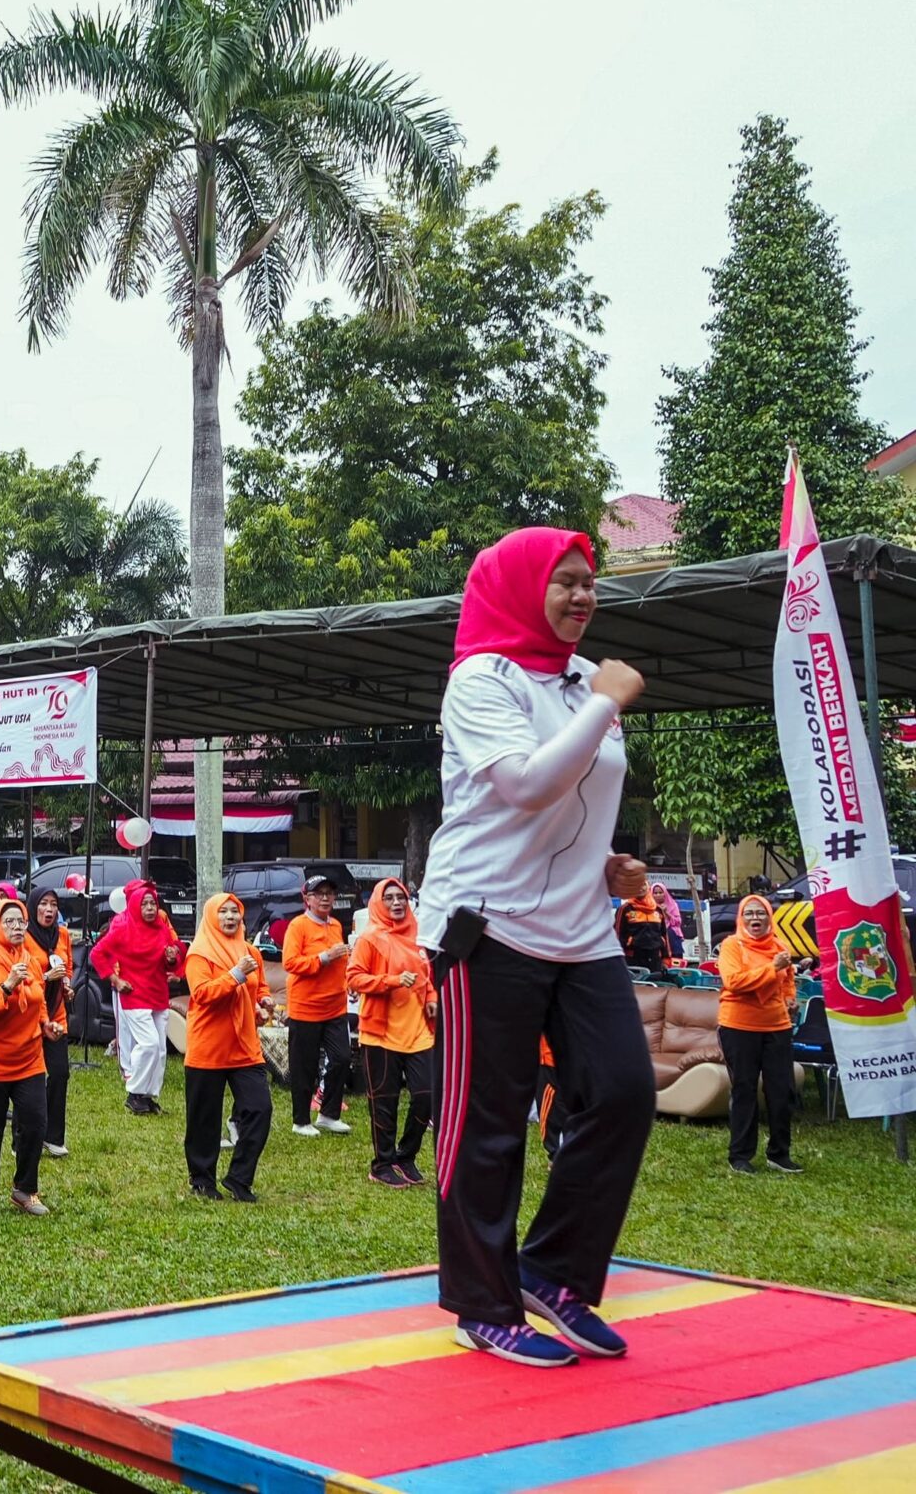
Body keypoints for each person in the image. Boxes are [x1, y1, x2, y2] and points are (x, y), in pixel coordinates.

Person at [421, 526, 657, 1369]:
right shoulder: (482, 679)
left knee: (624, 1091)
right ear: (523, 588)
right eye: (565, 581)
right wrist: (605, 704)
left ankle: (551, 1270)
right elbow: (523, 785)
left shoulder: (587, 679)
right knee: (485, 1125)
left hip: (580, 926)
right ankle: (481, 1304)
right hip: (488, 924)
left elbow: (573, 798)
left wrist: (608, 860)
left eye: (590, 582)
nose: (584, 595)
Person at [0, 895, 62, 1216]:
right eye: (9, 922)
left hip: (28, 1058)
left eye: (21, 921)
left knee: (35, 1124)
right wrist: (6, 986)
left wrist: (46, 1025)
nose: (17, 927)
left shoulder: (30, 960)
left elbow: (38, 999)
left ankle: (25, 1190)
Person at [347, 877, 437, 1189]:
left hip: (418, 1031)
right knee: (384, 1102)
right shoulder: (370, 938)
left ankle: (406, 1155)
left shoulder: (418, 935)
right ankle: (382, 1164)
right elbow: (354, 979)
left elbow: (428, 977)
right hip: (380, 1034)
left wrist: (432, 1000)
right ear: (378, 903)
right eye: (389, 898)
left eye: (401, 897)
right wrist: (392, 981)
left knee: (426, 1096)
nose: (397, 903)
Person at [183, 893, 273, 1201]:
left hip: (244, 1046)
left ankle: (239, 1178)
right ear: (211, 916)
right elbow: (202, 994)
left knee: (260, 1108)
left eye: (235, 911)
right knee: (204, 1120)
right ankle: (202, 1180)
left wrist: (263, 1001)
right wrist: (235, 975)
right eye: (223, 912)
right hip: (209, 1047)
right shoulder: (199, 953)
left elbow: (259, 986)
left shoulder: (250, 952)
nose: (230, 917)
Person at [718, 895, 805, 1175]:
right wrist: (772, 968)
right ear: (741, 918)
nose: (755, 919)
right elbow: (734, 982)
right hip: (739, 1026)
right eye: (749, 914)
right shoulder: (732, 945)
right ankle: (740, 1156)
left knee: (782, 1090)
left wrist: (790, 999)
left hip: (777, 1026)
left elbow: (788, 981)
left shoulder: (779, 947)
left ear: (769, 917)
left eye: (761, 913)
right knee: (744, 1089)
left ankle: (779, 1154)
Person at [88, 879, 179, 1115]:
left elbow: (171, 959)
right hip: (134, 994)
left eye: (153, 904)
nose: (149, 908)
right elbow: (97, 954)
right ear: (135, 905)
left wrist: (171, 959)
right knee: (148, 1044)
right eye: (144, 904)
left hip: (158, 992)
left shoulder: (161, 927)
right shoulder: (122, 927)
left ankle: (148, 1096)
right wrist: (116, 980)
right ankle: (134, 1093)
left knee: (160, 1049)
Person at [280, 873, 356, 1137]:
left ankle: (328, 1114)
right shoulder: (298, 926)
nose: (325, 898)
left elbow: (341, 962)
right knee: (305, 1066)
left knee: (342, 1058)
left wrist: (349, 980)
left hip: (335, 1006)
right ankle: (301, 1121)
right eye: (319, 894)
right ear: (307, 899)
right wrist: (323, 957)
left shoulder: (335, 925)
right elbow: (290, 963)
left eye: (329, 893)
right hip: (306, 1007)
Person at [25, 887, 74, 1158]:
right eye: (43, 904)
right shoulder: (24, 937)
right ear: (34, 907)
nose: (49, 910)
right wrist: (45, 977)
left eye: (53, 904)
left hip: (56, 1013)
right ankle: (22, 1137)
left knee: (60, 1073)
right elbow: (23, 976)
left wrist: (66, 986)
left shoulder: (63, 935)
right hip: (30, 1015)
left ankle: (53, 1136)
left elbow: (67, 969)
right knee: (28, 1079)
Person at [614, 888, 673, 976]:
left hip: (655, 959)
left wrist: (666, 959)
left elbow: (664, 935)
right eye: (639, 885)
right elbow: (617, 935)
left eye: (644, 885)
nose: (641, 888)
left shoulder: (657, 909)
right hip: (633, 959)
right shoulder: (625, 909)